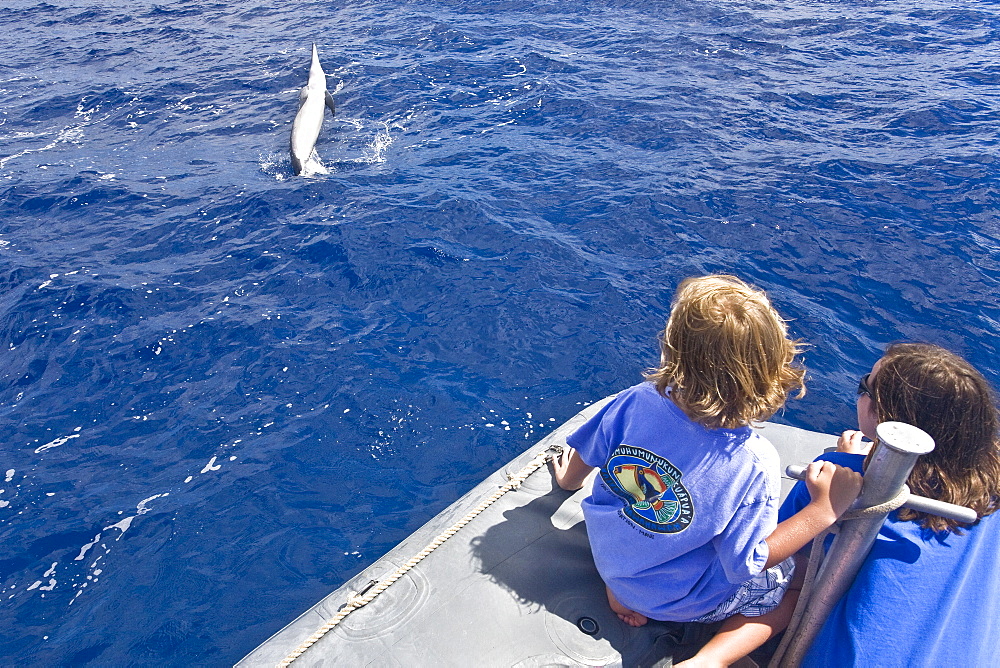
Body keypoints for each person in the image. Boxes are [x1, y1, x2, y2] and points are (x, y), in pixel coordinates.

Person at [552, 275, 862, 639]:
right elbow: (746, 564)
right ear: (771, 370)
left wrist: (566, 482)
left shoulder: (637, 400)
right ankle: (714, 658)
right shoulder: (752, 462)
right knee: (797, 584)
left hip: (611, 560)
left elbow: (588, 453)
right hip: (681, 600)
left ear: (673, 349)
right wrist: (823, 510)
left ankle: (624, 592)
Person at [770, 343, 1000, 666]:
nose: (860, 390)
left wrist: (844, 463)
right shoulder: (991, 496)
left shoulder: (835, 475)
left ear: (889, 419)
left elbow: (768, 559)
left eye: (866, 387)